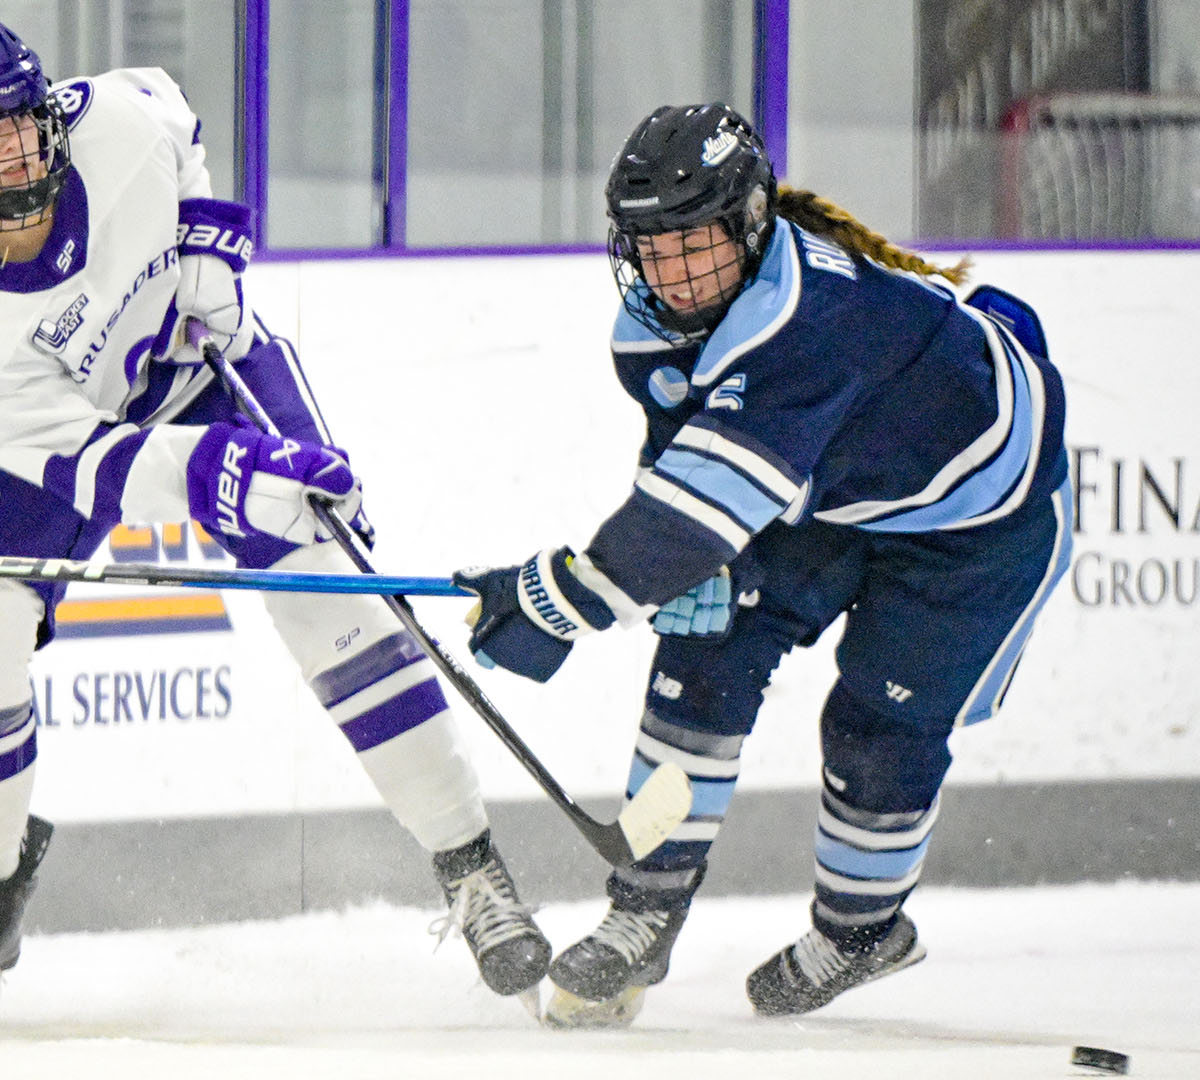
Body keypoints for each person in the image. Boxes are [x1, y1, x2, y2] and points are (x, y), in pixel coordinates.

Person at [0, 8, 548, 1025]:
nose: (13, 150)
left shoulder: (117, 121)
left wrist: (207, 245)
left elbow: (177, 119)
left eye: (18, 120)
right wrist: (224, 475)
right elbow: (98, 469)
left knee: (332, 595)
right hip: (67, 443)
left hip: (204, 368)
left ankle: (472, 868)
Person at [454, 103, 1071, 1026]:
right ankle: (644, 915)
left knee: (876, 729)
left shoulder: (809, 322)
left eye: (692, 244)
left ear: (749, 222)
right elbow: (684, 471)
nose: (670, 273)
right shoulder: (655, 325)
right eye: (650, 249)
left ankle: (861, 933)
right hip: (836, 483)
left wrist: (560, 596)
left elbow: (688, 520)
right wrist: (653, 573)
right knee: (706, 649)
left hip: (977, 524)